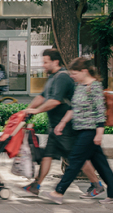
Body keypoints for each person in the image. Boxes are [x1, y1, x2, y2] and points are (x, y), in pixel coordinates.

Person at [21, 49, 104, 198]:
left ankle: (96, 184)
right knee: (48, 155)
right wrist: (28, 110)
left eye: (46, 62)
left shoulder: (62, 77)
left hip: (66, 126)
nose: (43, 65)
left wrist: (36, 111)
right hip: (55, 125)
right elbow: (42, 96)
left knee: (75, 157)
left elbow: (55, 101)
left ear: (55, 62)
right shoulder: (52, 77)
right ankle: (36, 185)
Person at [39, 58, 113, 204]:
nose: (72, 76)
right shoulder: (79, 86)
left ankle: (59, 192)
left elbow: (99, 113)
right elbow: (73, 108)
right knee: (101, 164)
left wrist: (99, 133)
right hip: (80, 130)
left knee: (75, 160)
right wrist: (62, 123)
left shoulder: (95, 87)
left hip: (90, 131)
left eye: (74, 73)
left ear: (84, 71)